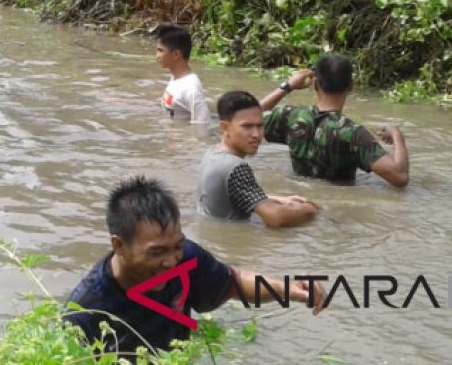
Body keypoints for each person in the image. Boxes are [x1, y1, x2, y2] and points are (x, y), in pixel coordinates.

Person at [65, 176, 323, 356]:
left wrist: (287, 289)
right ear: (119, 245)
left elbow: (234, 284)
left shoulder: (186, 259)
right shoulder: (86, 309)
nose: (169, 261)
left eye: (176, 246)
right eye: (156, 252)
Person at [258, 53, 408, 187]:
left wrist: (287, 86)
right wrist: (397, 136)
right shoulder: (354, 133)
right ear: (350, 86)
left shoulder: (291, 116)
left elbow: (249, 117)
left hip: (298, 197)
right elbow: (400, 177)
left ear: (315, 84)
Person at [198, 92, 320, 227]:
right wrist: (310, 208)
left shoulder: (212, 153)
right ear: (225, 127)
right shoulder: (236, 167)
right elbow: (275, 218)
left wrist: (277, 199)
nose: (256, 135)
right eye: (247, 126)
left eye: (260, 126)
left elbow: (231, 196)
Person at [153, 23, 209, 123]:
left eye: (161, 51)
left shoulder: (191, 89)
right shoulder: (176, 78)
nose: (157, 56)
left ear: (176, 54)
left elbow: (202, 124)